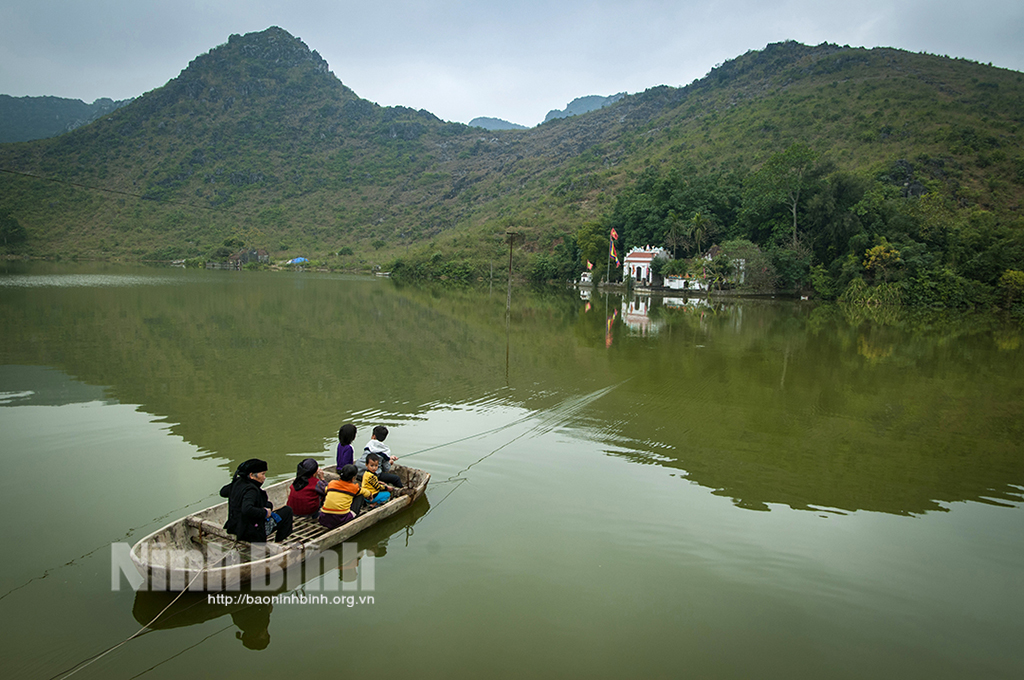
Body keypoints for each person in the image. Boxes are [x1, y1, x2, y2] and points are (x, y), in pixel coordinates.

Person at [220, 458, 293, 542]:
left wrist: (236, 482)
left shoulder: (238, 483)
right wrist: (265, 512)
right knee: (287, 511)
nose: (264, 477)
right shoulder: (251, 490)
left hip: (234, 527)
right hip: (251, 533)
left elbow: (223, 492)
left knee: (268, 504)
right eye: (262, 474)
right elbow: (247, 509)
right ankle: (279, 541)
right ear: (251, 475)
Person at [318, 464, 361, 530]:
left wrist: (323, 480)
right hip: (341, 519)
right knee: (360, 495)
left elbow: (326, 490)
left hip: (324, 519)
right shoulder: (354, 487)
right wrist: (370, 495)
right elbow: (366, 492)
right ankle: (354, 516)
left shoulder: (332, 483)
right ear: (353, 478)